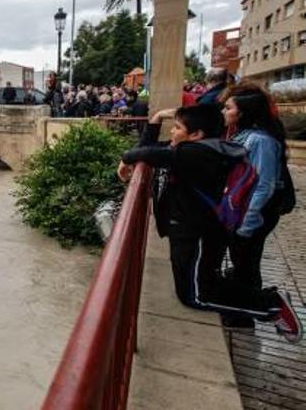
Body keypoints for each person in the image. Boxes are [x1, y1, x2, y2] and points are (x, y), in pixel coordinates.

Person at [117, 104, 301, 342]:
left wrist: (126, 159)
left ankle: (271, 306)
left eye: (177, 127)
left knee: (196, 295)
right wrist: (157, 118)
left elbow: (146, 153)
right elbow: (148, 149)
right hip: (193, 231)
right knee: (199, 281)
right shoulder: (195, 150)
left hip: (199, 233)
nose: (172, 132)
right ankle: (266, 300)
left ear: (196, 135)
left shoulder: (197, 154)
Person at [221, 84, 295, 330]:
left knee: (246, 266)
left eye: (229, 107)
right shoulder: (242, 135)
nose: (224, 110)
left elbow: (264, 185)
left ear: (242, 113)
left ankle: (263, 307)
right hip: (241, 212)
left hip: (252, 215)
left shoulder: (260, 141)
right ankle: (243, 312)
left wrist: (248, 223)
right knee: (244, 264)